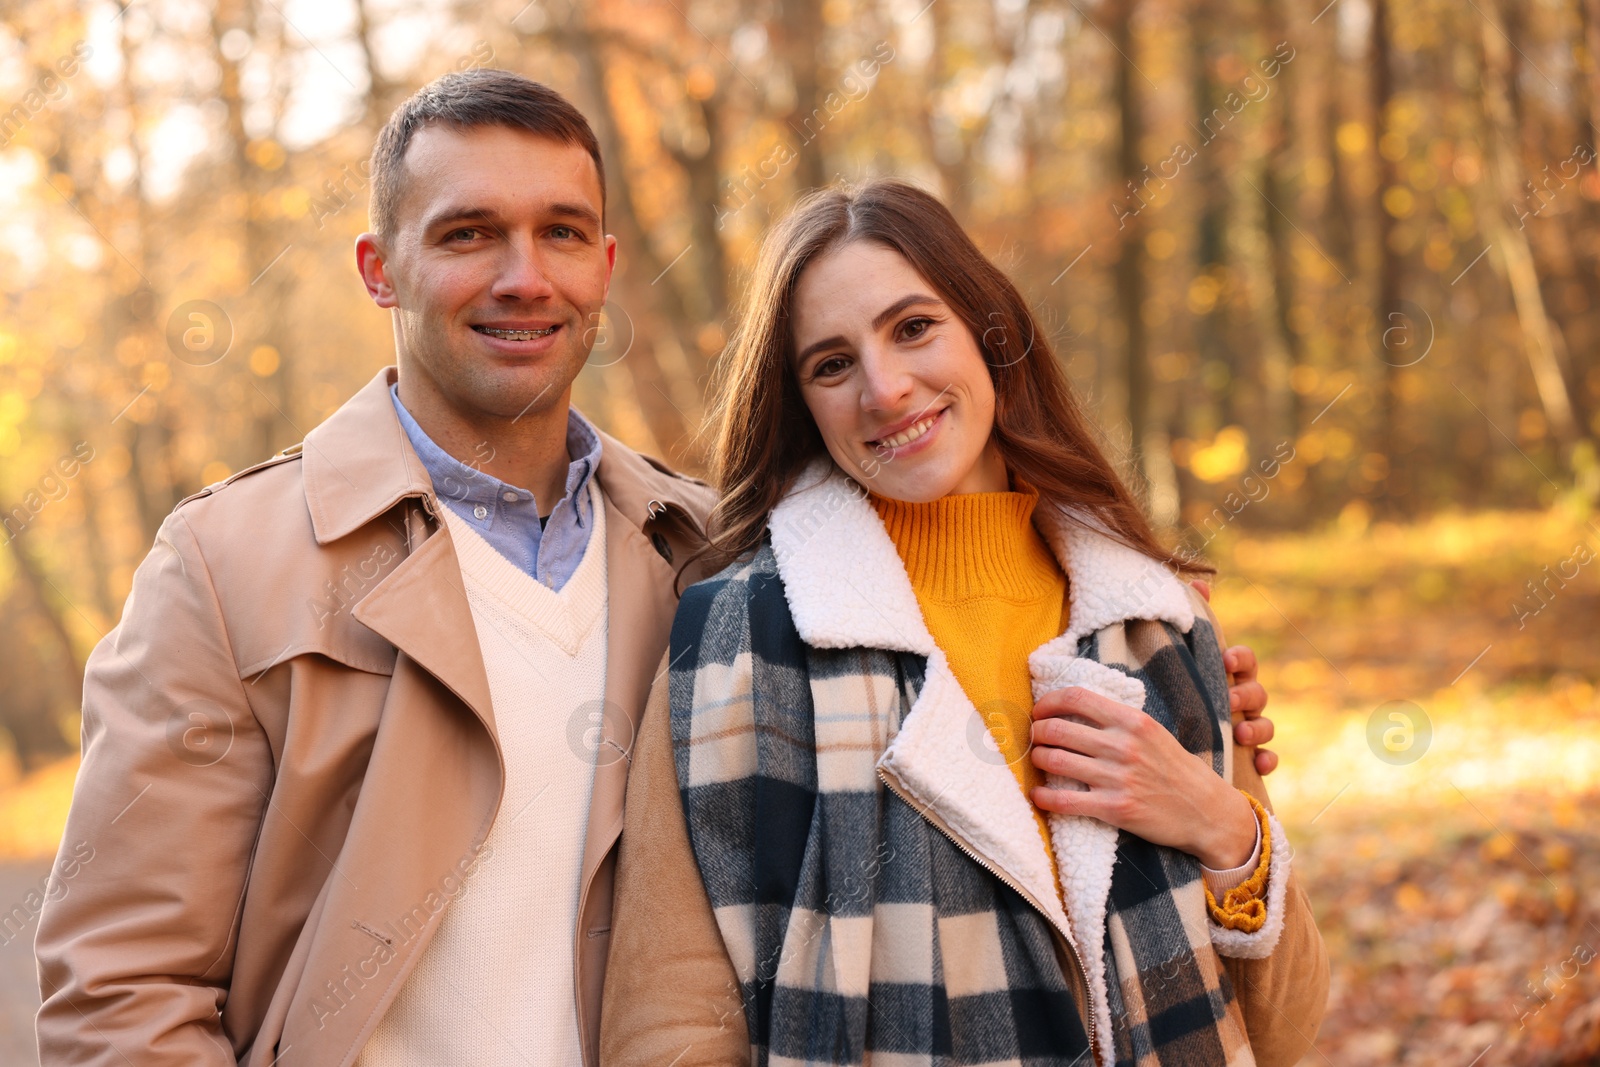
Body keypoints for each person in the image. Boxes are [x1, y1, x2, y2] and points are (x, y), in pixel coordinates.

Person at [34, 69, 719, 1066]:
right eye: (467, 233)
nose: (524, 276)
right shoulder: (224, 568)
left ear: (606, 264)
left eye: (561, 232)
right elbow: (122, 991)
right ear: (378, 267)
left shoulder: (701, 548)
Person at [600, 179, 1328, 1066]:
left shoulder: (1152, 621)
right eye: (831, 364)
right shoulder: (740, 644)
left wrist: (1226, 828)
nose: (886, 388)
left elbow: (1285, 1032)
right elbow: (669, 1023)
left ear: (988, 332)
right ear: (803, 404)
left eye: (914, 327)